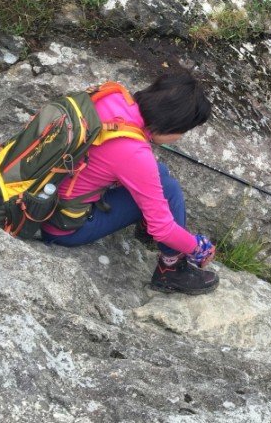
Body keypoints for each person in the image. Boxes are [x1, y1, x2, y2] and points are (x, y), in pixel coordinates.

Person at [40, 69, 219, 295]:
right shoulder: (134, 152)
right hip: (64, 228)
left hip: (45, 197)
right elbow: (163, 229)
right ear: (171, 125)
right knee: (168, 189)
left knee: (160, 173)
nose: (180, 137)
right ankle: (171, 269)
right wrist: (198, 247)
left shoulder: (112, 96)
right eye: (183, 131)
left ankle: (145, 228)